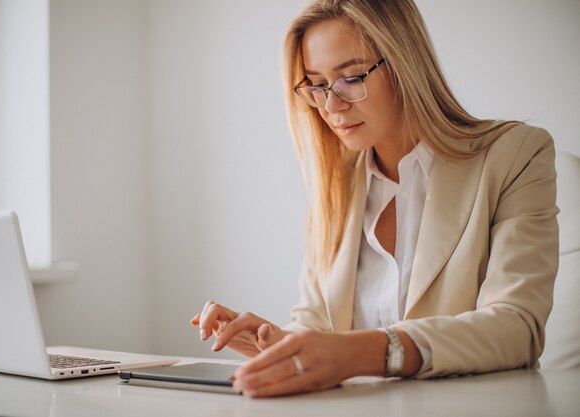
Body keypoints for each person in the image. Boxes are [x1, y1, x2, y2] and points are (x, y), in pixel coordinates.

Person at [190, 0, 558, 398]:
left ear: (404, 63)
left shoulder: (515, 155)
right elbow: (318, 325)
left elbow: (517, 328)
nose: (331, 106)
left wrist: (363, 353)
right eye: (316, 85)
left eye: (350, 78)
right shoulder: (337, 184)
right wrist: (274, 343)